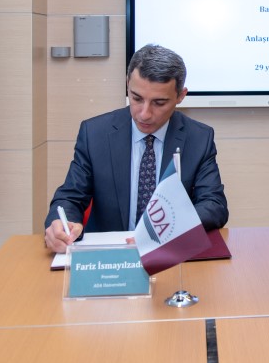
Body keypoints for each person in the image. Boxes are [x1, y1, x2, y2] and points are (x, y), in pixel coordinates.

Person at [44, 44, 229, 253]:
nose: (144, 114)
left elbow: (214, 205)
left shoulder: (198, 138)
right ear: (127, 84)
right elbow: (69, 197)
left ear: (181, 96)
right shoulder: (95, 134)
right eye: (137, 98)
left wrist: (167, 230)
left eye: (159, 102)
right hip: (108, 255)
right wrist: (60, 225)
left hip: (168, 253)